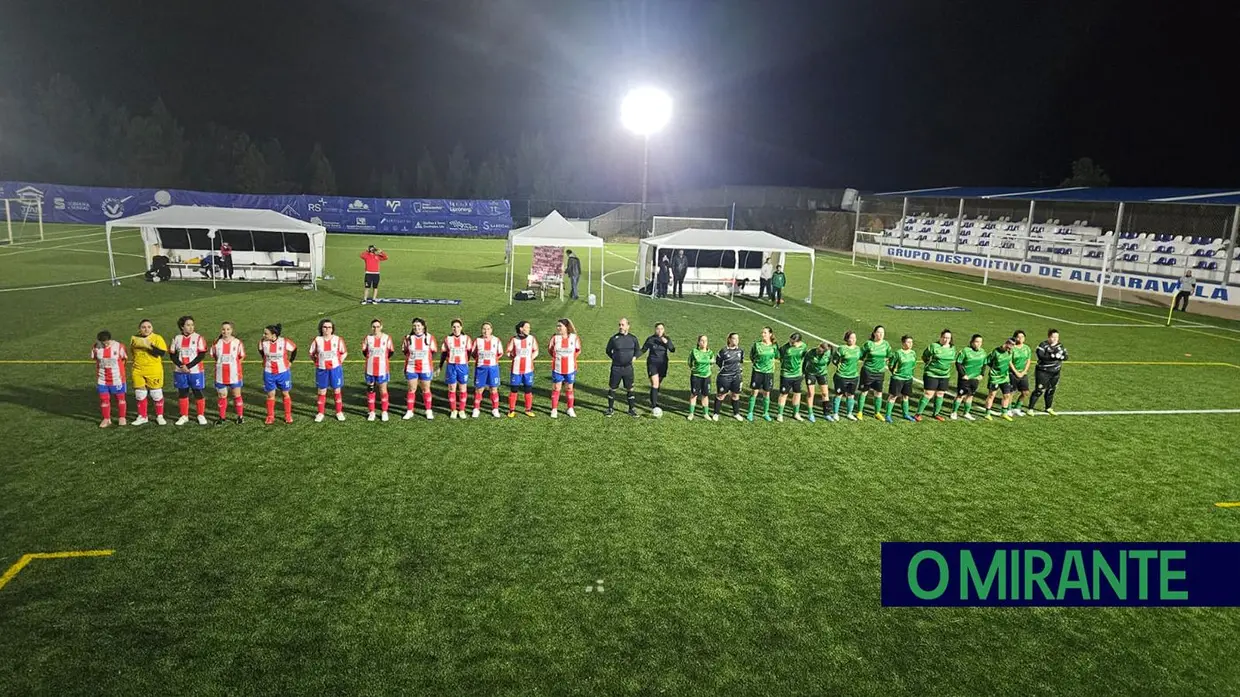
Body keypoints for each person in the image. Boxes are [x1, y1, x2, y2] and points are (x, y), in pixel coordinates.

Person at [170, 315, 209, 426]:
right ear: (182, 327)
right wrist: (181, 365)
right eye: (188, 325)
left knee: (197, 392)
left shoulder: (198, 338)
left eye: (192, 324)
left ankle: (200, 415)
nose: (191, 327)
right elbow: (172, 355)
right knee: (183, 392)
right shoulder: (176, 338)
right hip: (180, 370)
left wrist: (189, 366)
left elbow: (201, 355)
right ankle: (184, 416)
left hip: (195, 370)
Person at [310, 318, 348, 422]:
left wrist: (339, 362)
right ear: (321, 328)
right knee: (322, 391)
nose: (327, 329)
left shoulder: (338, 339)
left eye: (329, 327)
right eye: (325, 327)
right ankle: (320, 413)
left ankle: (339, 412)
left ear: (332, 329)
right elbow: (311, 354)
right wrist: (317, 363)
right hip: (322, 369)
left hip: (335, 369)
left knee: (336, 390)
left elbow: (344, 352)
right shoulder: (317, 340)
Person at [259, 323, 296, 425]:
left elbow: (294, 349)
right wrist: (264, 359)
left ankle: (288, 415)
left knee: (285, 393)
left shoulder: (284, 342)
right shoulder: (263, 342)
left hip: (283, 373)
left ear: (273, 334)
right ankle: (270, 416)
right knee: (271, 395)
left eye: (266, 334)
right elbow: (261, 351)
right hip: (269, 373)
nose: (263, 335)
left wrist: (290, 361)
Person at [604, 317, 641, 417]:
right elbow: (608, 350)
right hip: (616, 368)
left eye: (622, 325)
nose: (620, 327)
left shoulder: (633, 338)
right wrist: (615, 358)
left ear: (628, 326)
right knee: (613, 388)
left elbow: (638, 350)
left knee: (630, 388)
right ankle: (610, 409)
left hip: (628, 368)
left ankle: (631, 409)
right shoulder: (614, 339)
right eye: (619, 325)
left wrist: (635, 357)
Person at [210, 321, 246, 425]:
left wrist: (236, 366)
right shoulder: (216, 343)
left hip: (234, 374)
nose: (225, 331)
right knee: (222, 395)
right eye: (223, 329)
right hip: (220, 374)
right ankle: (222, 417)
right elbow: (214, 356)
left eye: (228, 329)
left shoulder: (237, 342)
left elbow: (242, 356)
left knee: (236, 395)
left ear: (232, 330)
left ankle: (240, 416)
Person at [916, 329, 956, 422]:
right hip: (931, 374)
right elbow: (924, 356)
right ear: (941, 337)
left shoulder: (952, 348)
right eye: (944, 337)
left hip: (945, 375)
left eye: (948, 338)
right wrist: (929, 365)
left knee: (940, 394)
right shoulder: (933, 346)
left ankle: (936, 413)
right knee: (928, 394)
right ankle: (918, 414)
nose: (946, 340)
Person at [402, 318, 437, 420]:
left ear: (423, 326)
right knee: (412, 389)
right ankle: (409, 411)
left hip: (425, 368)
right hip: (411, 367)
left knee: (426, 389)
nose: (416, 328)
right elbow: (405, 351)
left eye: (418, 325)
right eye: (414, 326)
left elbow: (433, 351)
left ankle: (428, 410)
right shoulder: (408, 338)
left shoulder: (430, 338)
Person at [361, 318, 395, 422]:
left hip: (382, 369)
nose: (375, 328)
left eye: (377, 326)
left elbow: (391, 352)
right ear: (371, 328)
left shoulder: (387, 338)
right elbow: (364, 351)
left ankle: (384, 411)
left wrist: (383, 360)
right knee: (370, 390)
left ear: (381, 327)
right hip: (370, 369)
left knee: (383, 390)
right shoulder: (367, 338)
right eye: (373, 327)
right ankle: (371, 412)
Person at [92, 330, 127, 428]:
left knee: (120, 398)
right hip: (102, 379)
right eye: (102, 342)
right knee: (104, 399)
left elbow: (124, 359)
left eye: (106, 342)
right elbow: (95, 359)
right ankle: (106, 419)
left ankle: (122, 417)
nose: (105, 344)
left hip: (118, 378)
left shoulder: (119, 346)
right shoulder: (95, 347)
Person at [1028, 328, 1068, 415]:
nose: (1055, 339)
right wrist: (1053, 356)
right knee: (1039, 390)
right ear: (1049, 337)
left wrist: (1061, 357)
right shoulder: (1043, 345)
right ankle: (1030, 408)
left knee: (1051, 390)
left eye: (1057, 337)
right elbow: (1041, 356)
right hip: (1043, 372)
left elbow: (1066, 357)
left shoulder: (1060, 346)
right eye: (1053, 337)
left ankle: (1048, 408)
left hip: (1055, 372)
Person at [548, 319, 581, 419]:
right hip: (557, 368)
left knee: (569, 388)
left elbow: (578, 350)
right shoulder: (555, 338)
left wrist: (571, 359)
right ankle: (554, 409)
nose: (558, 328)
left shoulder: (574, 338)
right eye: (557, 326)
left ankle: (570, 408)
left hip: (570, 368)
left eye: (560, 326)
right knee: (556, 388)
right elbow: (550, 350)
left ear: (566, 327)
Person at [440, 319, 472, 419]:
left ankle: (462, 410)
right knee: (452, 389)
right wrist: (440, 366)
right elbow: (444, 353)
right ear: (451, 328)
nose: (456, 329)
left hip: (462, 366)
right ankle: (453, 410)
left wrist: (466, 362)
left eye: (458, 326)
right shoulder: (447, 339)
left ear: (461, 327)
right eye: (454, 327)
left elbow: (470, 352)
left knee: (463, 388)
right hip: (451, 366)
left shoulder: (466, 338)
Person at [471, 322, 504, 418]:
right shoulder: (477, 340)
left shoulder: (496, 340)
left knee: (493, 389)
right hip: (481, 368)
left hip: (493, 368)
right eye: (484, 329)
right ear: (481, 330)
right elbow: (473, 353)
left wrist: (493, 361)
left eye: (488, 329)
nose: (486, 331)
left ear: (491, 330)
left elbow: (500, 353)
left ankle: (495, 409)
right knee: (479, 389)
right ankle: (476, 409)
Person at [858, 325, 891, 420]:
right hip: (868, 371)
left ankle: (877, 413)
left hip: (880, 372)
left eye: (882, 333)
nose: (881, 334)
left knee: (879, 393)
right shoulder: (868, 344)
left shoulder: (886, 344)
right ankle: (860, 412)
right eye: (879, 332)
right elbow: (860, 355)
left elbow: (889, 355)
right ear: (874, 333)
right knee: (864, 392)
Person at [506, 321, 538, 418]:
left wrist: (531, 358)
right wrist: (513, 358)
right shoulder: (514, 339)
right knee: (514, 389)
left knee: (528, 389)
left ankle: (528, 409)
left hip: (528, 369)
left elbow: (536, 350)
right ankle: (511, 410)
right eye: (527, 327)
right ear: (521, 329)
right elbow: (508, 351)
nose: (529, 329)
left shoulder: (532, 339)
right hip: (516, 369)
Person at [642, 323, 675, 413]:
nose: (659, 330)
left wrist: (667, 343)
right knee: (655, 383)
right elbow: (643, 349)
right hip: (652, 364)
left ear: (664, 330)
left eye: (661, 329)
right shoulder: (650, 339)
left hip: (663, 364)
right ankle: (654, 405)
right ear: (655, 330)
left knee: (658, 383)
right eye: (658, 329)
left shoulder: (667, 339)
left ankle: (653, 398)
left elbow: (672, 349)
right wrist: (634, 356)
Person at [747, 326, 779, 421]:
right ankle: (750, 412)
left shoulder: (774, 346)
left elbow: (777, 356)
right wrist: (757, 365)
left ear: (770, 334)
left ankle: (765, 413)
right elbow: (752, 356)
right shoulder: (757, 345)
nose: (763, 334)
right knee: (754, 392)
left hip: (769, 372)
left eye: (765, 333)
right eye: (762, 332)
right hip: (757, 372)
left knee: (767, 393)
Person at [952, 334, 986, 421]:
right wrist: (963, 375)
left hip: (975, 379)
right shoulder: (965, 351)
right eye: (976, 342)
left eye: (980, 342)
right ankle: (954, 412)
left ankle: (966, 413)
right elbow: (958, 363)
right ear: (972, 342)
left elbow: (984, 364)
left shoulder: (983, 352)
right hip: (965, 379)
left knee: (970, 396)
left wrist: (982, 374)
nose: (978, 344)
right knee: (960, 395)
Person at [885, 335, 919, 423]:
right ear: (903, 343)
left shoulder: (913, 353)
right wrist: (894, 373)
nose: (910, 344)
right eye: (908, 342)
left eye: (911, 342)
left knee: (905, 396)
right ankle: (888, 415)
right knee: (893, 396)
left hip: (908, 378)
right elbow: (891, 364)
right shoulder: (898, 353)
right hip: (898, 378)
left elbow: (914, 364)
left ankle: (906, 414)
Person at [982, 337, 1016, 421]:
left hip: (1005, 377)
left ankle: (1004, 413)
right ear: (1006, 343)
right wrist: (995, 369)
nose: (1010, 348)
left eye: (1013, 346)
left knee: (1007, 395)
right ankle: (987, 413)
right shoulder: (996, 351)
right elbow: (987, 361)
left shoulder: (1010, 352)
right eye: (1010, 346)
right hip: (995, 377)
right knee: (992, 395)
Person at [776, 332, 808, 422]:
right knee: (784, 394)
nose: (790, 343)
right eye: (790, 341)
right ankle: (780, 414)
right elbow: (780, 357)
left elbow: (804, 357)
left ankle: (796, 413)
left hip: (798, 375)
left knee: (797, 394)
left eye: (793, 342)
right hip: (786, 375)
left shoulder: (804, 346)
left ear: (799, 342)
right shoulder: (785, 348)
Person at [830, 331, 861, 421]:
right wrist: (839, 366)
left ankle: (849, 413)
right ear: (847, 339)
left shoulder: (858, 349)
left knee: (850, 395)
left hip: (853, 376)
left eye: (855, 338)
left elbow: (860, 358)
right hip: (841, 376)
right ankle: (835, 413)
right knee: (839, 394)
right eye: (851, 338)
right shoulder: (842, 349)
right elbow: (834, 359)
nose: (854, 340)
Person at [714, 332, 745, 421]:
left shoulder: (740, 351)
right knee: (721, 395)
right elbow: (718, 362)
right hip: (724, 377)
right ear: (730, 339)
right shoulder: (723, 351)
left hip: (736, 377)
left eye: (737, 339)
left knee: (735, 395)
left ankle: (736, 413)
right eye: (734, 338)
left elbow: (740, 361)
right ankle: (716, 413)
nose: (736, 340)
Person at [687, 335, 715, 420]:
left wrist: (709, 367)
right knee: (694, 394)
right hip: (696, 376)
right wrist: (694, 369)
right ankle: (691, 413)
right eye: (702, 341)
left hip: (706, 376)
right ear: (698, 342)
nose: (704, 342)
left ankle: (705, 414)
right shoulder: (695, 351)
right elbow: (691, 361)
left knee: (705, 395)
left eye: (705, 341)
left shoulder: (710, 352)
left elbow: (712, 362)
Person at [804, 342, 832, 423]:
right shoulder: (810, 353)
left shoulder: (828, 354)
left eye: (820, 351)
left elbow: (828, 362)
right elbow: (805, 362)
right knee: (810, 393)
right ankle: (810, 414)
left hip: (822, 374)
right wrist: (803, 372)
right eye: (818, 349)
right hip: (810, 373)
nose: (818, 351)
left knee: (825, 393)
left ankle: (826, 414)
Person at [1008, 330, 1033, 416]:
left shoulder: (1027, 348)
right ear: (1015, 338)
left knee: (1025, 392)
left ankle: (1017, 407)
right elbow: (1009, 361)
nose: (1020, 338)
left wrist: (1024, 371)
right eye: (1018, 337)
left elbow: (1028, 360)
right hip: (1012, 373)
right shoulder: (1012, 348)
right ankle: (1008, 409)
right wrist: (1016, 372)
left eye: (1022, 337)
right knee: (1011, 392)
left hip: (1023, 373)